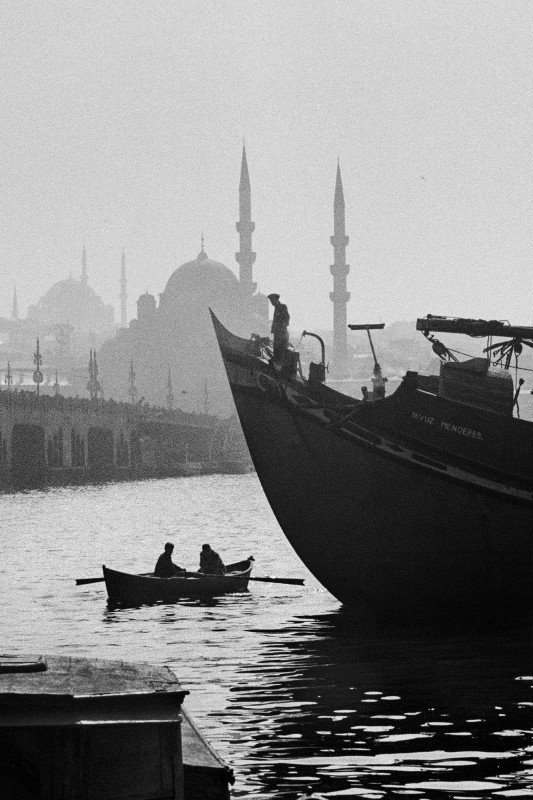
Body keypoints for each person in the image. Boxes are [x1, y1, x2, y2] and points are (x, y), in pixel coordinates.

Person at [267, 293, 290, 362]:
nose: (271, 302)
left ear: (277, 300)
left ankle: (279, 362)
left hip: (282, 332)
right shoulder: (276, 308)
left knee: (280, 347)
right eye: (271, 301)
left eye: (272, 301)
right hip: (277, 331)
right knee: (276, 346)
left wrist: (282, 325)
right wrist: (273, 328)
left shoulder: (282, 306)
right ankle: (276, 360)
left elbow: (287, 317)